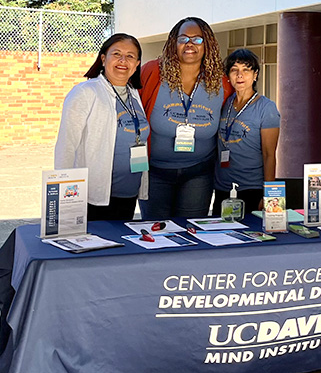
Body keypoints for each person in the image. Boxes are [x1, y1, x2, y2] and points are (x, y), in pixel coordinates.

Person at [139, 17, 232, 219]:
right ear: (174, 42)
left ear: (207, 44)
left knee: (191, 233)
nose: (190, 44)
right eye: (183, 38)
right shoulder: (153, 72)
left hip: (198, 173)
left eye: (197, 39)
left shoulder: (221, 82)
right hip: (155, 172)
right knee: (157, 235)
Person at [55, 33, 149, 221]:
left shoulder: (134, 94)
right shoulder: (85, 92)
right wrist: (64, 194)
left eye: (130, 56)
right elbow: (66, 145)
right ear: (103, 58)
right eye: (117, 54)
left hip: (129, 193)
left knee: (122, 248)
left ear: (137, 63)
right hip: (96, 197)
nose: (123, 61)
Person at [213, 49, 280, 214]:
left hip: (252, 189)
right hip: (222, 188)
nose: (240, 75)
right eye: (234, 70)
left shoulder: (266, 108)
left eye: (246, 70)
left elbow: (269, 154)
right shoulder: (224, 103)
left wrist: (269, 195)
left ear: (255, 75)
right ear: (228, 75)